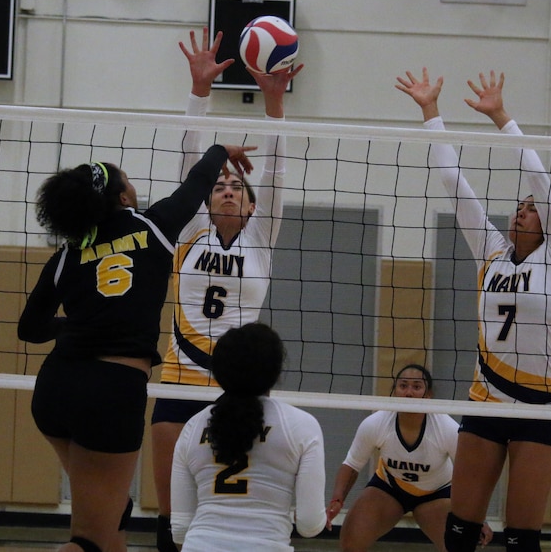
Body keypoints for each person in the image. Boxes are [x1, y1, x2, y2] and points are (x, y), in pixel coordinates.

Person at [395, 69, 551, 552]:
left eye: (533, 208)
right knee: (460, 533)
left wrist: (501, 118)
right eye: (519, 205)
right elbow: (454, 185)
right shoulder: (492, 252)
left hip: (539, 409)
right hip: (486, 400)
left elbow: (539, 178)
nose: (523, 209)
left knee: (521, 540)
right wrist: (430, 112)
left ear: (549, 223)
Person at [18, 140, 254, 552]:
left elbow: (30, 328)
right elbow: (199, 181)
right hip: (110, 390)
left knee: (110, 519)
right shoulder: (153, 226)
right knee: (89, 539)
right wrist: (220, 148)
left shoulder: (66, 255)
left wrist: (73, 326)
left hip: (54, 388)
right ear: (123, 196)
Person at [151, 27, 302, 552]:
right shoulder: (189, 232)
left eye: (237, 185)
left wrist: (274, 104)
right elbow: (189, 159)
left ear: (251, 203)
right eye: (219, 185)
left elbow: (280, 173)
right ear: (206, 198)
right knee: (174, 524)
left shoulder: (261, 237)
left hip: (236, 390)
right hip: (177, 381)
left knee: (233, 514)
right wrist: (199, 93)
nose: (228, 190)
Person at [170, 322, 326, 552]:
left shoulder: (193, 428)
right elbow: (309, 525)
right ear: (275, 372)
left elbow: (181, 529)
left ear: (219, 371)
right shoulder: (302, 426)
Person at [325, 364, 491, 552]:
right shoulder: (376, 423)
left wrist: (480, 519)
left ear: (428, 395)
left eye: (416, 387)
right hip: (389, 488)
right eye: (403, 386)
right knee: (350, 544)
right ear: (394, 392)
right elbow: (352, 465)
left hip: (436, 494)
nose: (409, 393)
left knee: (459, 548)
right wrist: (337, 500)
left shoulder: (446, 428)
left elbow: (469, 478)